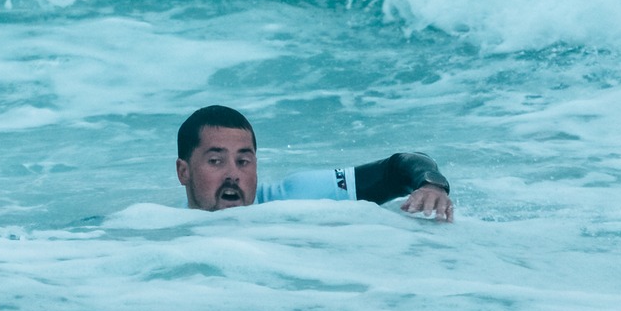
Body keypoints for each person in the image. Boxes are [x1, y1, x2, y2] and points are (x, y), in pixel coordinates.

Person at [174, 104, 453, 222]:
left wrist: (431, 185)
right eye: (216, 161)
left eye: (243, 161)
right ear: (183, 172)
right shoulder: (162, 229)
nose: (233, 174)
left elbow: (399, 167)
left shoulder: (294, 197)